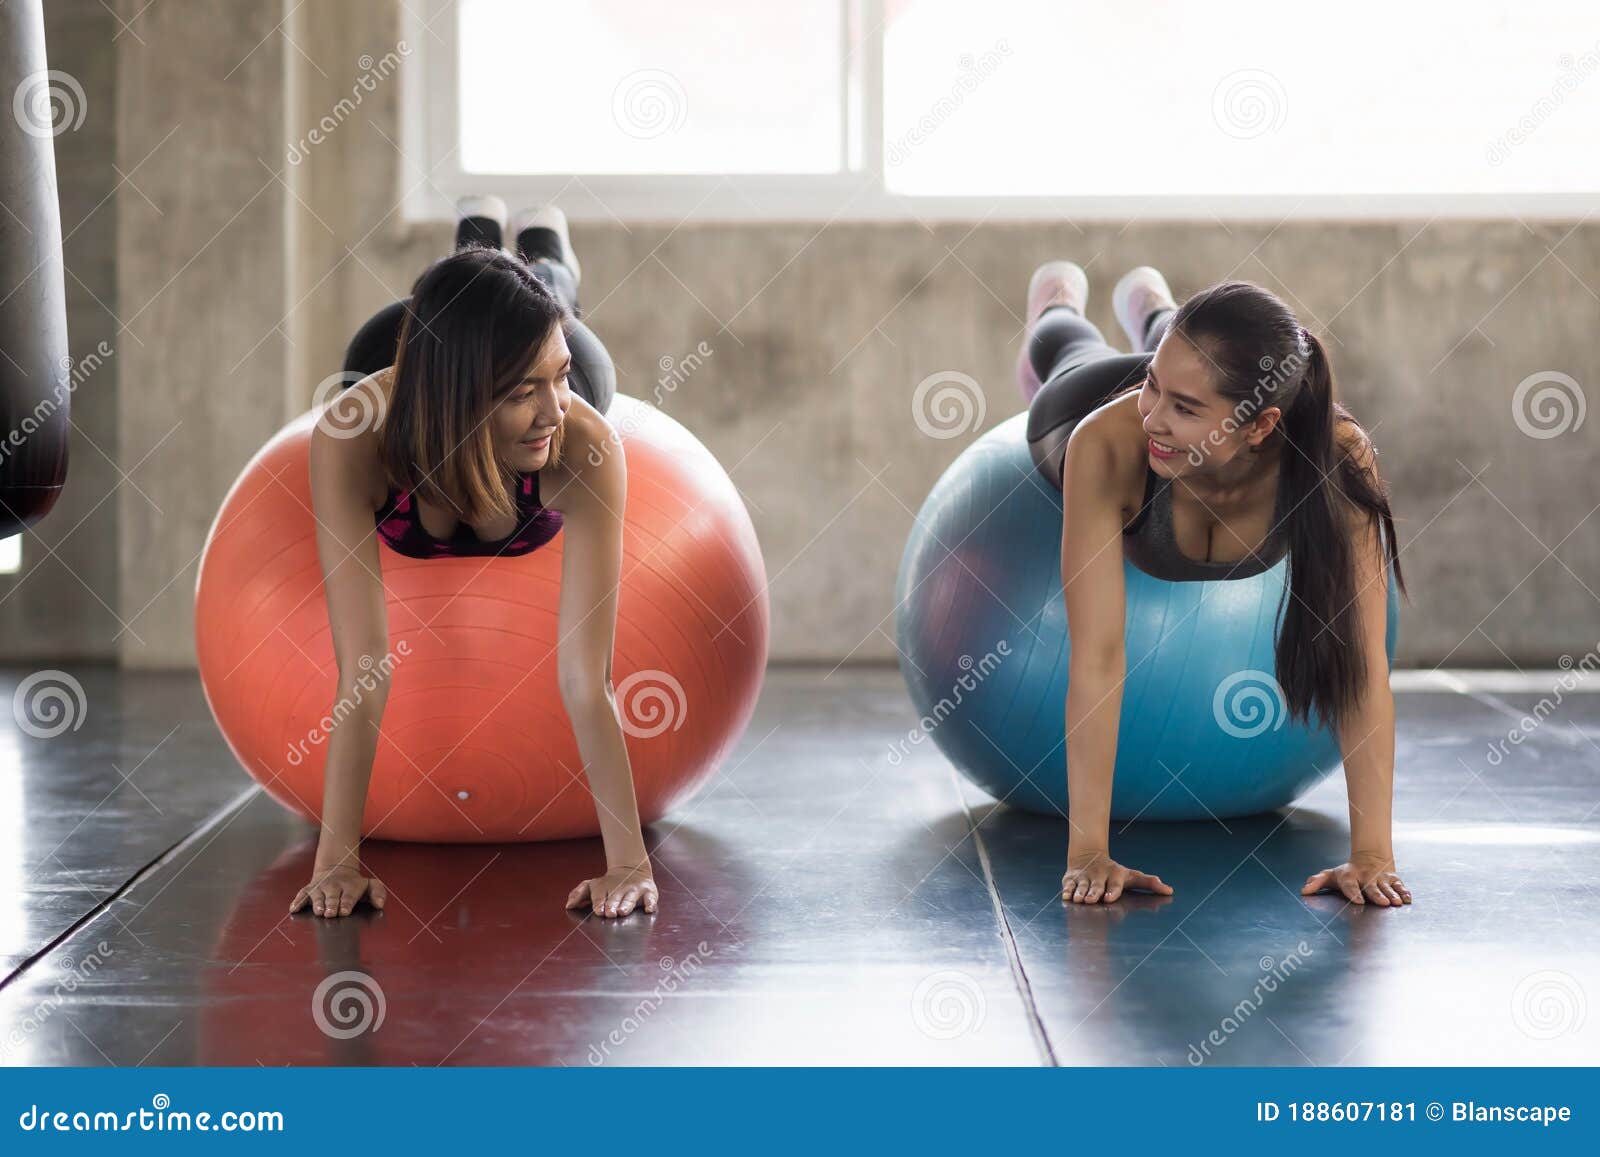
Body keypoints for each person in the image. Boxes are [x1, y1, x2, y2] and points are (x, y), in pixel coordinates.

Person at [292, 196, 655, 921]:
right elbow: (365, 668)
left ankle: (542, 252)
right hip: (411, 375)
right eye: (526, 391)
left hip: (505, 371)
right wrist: (336, 859)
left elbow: (587, 677)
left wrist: (629, 864)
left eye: (554, 382)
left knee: (560, 320)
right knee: (432, 314)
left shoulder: (579, 439)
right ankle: (476, 239)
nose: (554, 408)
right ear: (467, 400)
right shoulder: (352, 440)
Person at [1022, 263, 1412, 908]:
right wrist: (1088, 851)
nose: (1153, 418)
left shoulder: (1338, 457)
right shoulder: (1109, 442)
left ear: (1262, 425)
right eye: (1153, 390)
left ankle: (1154, 313)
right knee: (1071, 348)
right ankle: (1066, 301)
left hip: (1210, 388)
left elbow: (1364, 664)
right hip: (1076, 402)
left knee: (1181, 376)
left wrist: (1373, 855)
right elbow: (1097, 656)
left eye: (1183, 407)